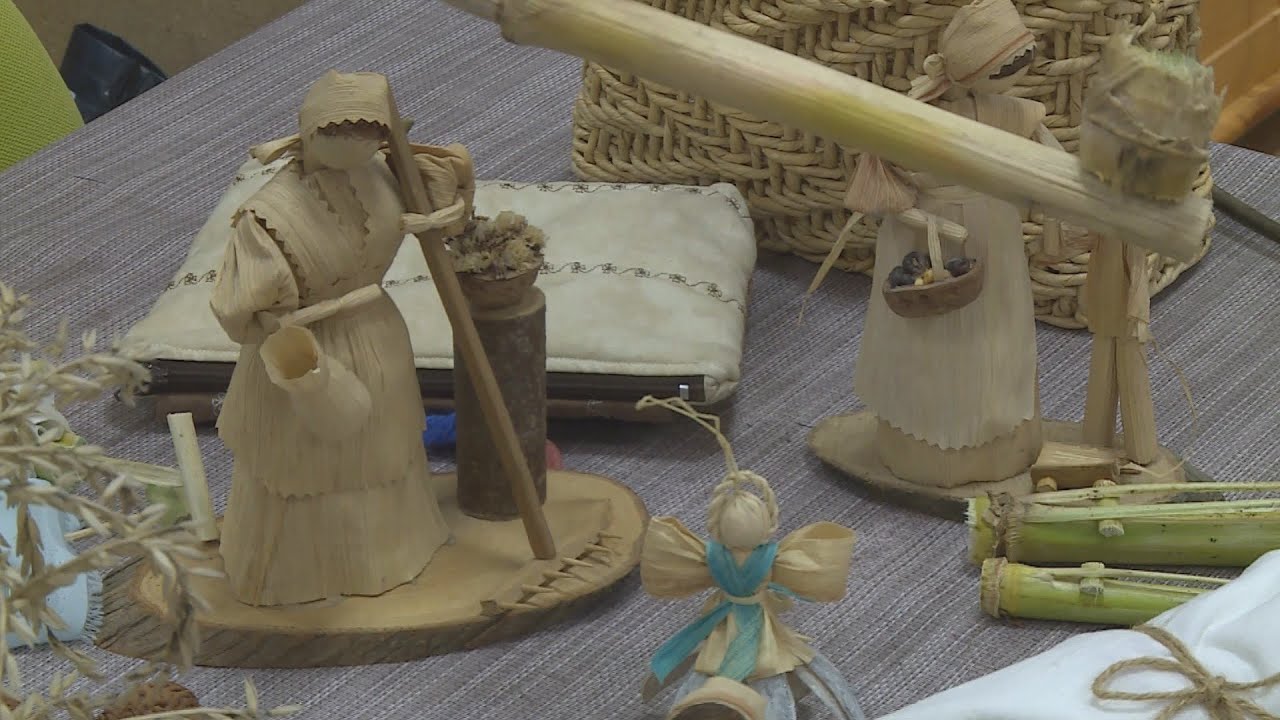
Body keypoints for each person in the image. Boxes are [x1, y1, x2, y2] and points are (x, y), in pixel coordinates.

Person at [210, 70, 473, 606]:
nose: (360, 142)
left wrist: (436, 212)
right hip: (304, 349)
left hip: (377, 335)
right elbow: (242, 312)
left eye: (371, 132)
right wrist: (282, 333)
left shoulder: (386, 172)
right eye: (342, 130)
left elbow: (445, 216)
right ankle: (298, 576)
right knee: (304, 463)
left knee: (384, 450)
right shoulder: (267, 217)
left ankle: (397, 554)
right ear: (311, 130)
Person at [848, 0, 1072, 487]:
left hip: (991, 230)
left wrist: (1070, 200)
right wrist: (908, 211)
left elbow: (1051, 167)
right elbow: (881, 178)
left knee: (995, 336)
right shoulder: (912, 116)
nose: (1018, 70)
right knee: (924, 343)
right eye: (1008, 63)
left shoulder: (1010, 114)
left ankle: (999, 442)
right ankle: (919, 447)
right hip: (921, 233)